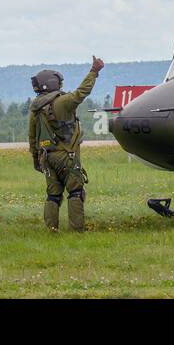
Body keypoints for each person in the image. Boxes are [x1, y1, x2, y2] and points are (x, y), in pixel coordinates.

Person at [28, 56, 103, 231]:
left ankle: (51, 229)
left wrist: (35, 159)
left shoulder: (36, 109)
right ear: (54, 84)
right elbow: (81, 93)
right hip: (66, 156)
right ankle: (76, 230)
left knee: (53, 195)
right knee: (76, 193)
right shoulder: (63, 102)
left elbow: (32, 137)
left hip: (46, 157)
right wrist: (94, 72)